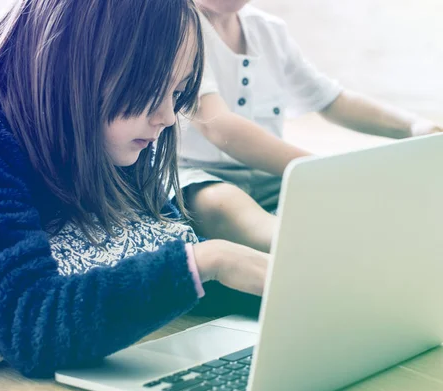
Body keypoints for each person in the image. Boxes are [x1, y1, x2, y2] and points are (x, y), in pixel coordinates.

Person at [0, 0, 271, 377]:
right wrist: (211, 258)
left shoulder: (100, 128)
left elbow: (171, 254)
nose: (166, 115)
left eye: (176, 92)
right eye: (148, 89)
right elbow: (32, 329)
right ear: (73, 66)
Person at [178, 0, 443, 253]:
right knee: (221, 204)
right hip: (197, 174)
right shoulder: (178, 27)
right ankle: (306, 250)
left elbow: (329, 98)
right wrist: (321, 169)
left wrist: (414, 125)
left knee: (348, 201)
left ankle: (373, 243)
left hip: (268, 175)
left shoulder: (268, 29)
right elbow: (219, 127)